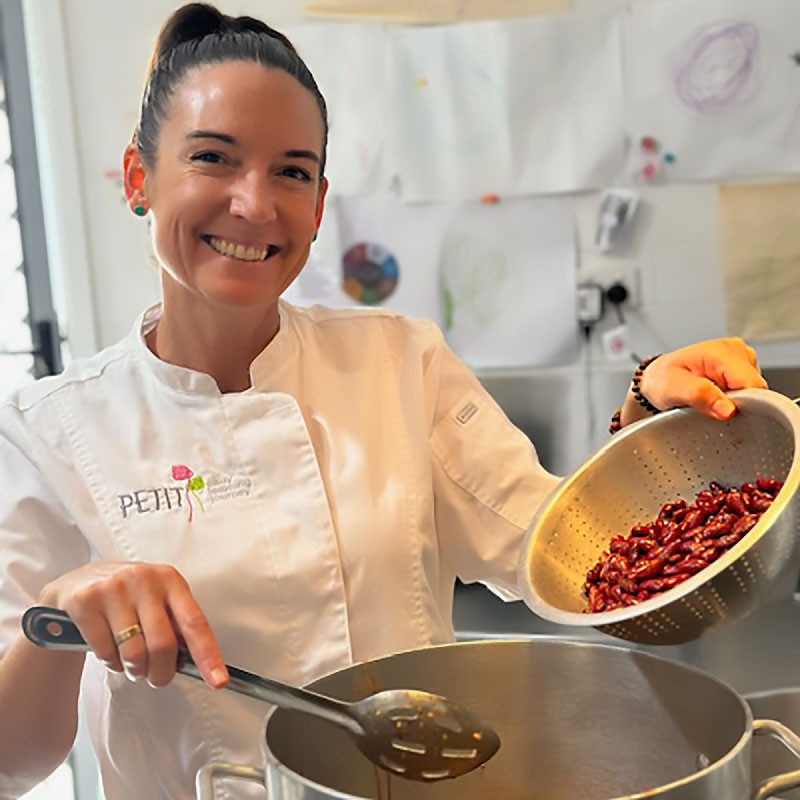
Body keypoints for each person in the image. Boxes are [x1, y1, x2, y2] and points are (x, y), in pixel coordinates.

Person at [0, 4, 768, 799]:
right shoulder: (46, 434)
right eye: (213, 159)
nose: (256, 204)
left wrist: (655, 415)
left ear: (320, 204)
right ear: (138, 178)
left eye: (292, 171)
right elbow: (11, 761)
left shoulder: (400, 362)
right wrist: (58, 615)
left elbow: (568, 557)